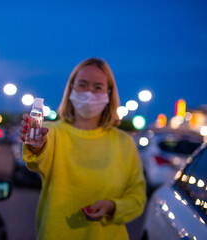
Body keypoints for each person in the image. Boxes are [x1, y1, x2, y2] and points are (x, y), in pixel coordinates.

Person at [19, 58, 146, 239]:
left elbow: (137, 198)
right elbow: (37, 160)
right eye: (83, 85)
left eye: (98, 87)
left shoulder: (124, 143)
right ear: (71, 88)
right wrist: (37, 146)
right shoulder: (52, 132)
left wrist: (112, 207)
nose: (89, 93)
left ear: (108, 93)